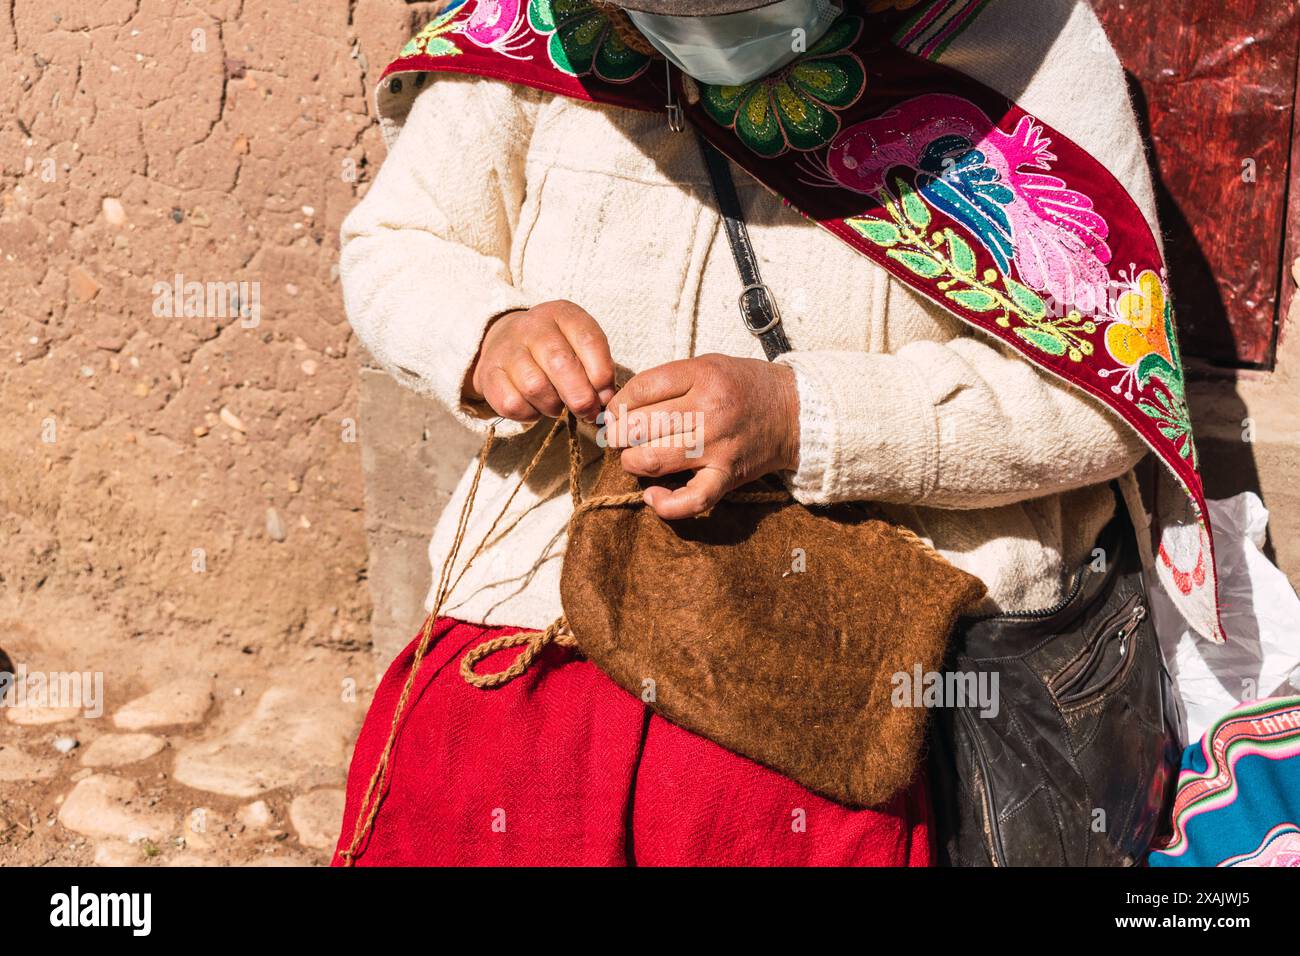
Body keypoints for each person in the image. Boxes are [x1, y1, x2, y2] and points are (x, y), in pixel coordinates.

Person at [331, 0, 1210, 866]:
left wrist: (801, 417)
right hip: (537, 630)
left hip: (868, 677)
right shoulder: (537, 22)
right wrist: (488, 332)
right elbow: (399, 241)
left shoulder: (1015, 38)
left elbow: (1103, 398)